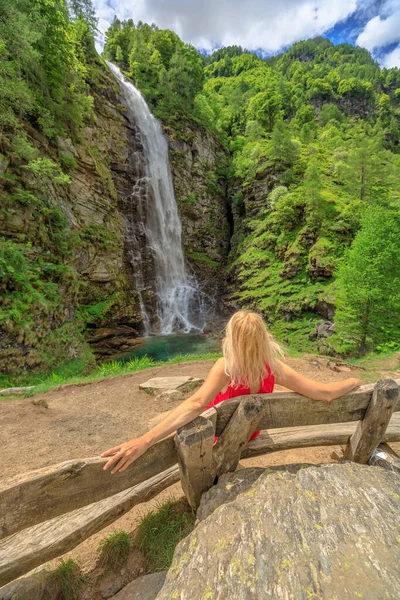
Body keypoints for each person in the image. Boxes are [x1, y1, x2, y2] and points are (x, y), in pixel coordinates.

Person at [101, 311, 362, 474]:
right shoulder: (274, 367)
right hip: (251, 431)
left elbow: (196, 404)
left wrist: (144, 440)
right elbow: (324, 393)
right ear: (263, 338)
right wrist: (353, 380)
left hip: (217, 434)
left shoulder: (226, 367)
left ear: (232, 339)